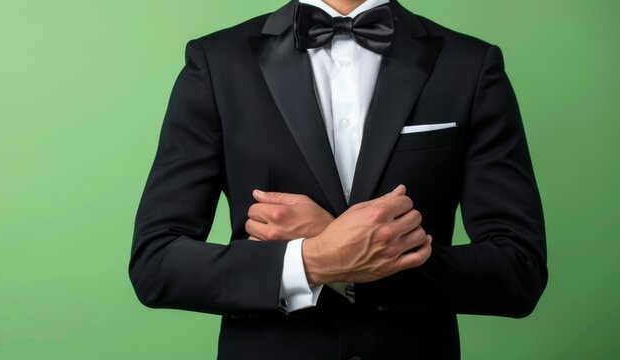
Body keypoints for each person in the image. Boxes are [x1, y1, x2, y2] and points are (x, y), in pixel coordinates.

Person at [129, 0, 547, 358]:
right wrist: (312, 260)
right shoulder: (217, 63)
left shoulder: (470, 66)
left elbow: (519, 271)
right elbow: (157, 262)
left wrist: (349, 249)